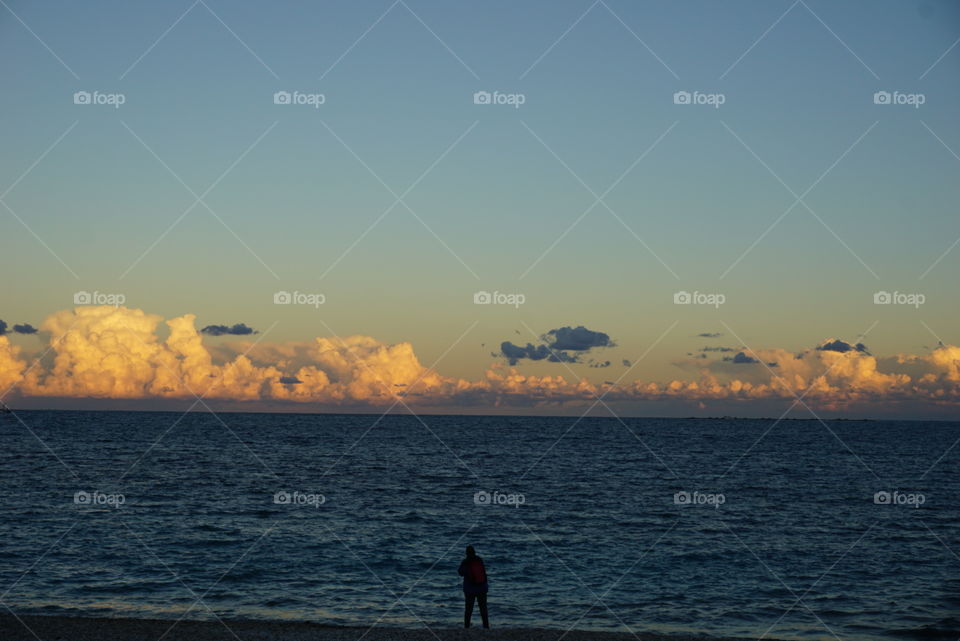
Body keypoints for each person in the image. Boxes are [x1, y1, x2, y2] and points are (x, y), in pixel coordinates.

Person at [457, 545, 489, 629]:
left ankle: (467, 627)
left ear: (466, 553)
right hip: (482, 588)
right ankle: (486, 627)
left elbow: (460, 572)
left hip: (470, 590)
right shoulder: (479, 560)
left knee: (468, 610)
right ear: (474, 552)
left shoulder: (466, 561)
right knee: (483, 609)